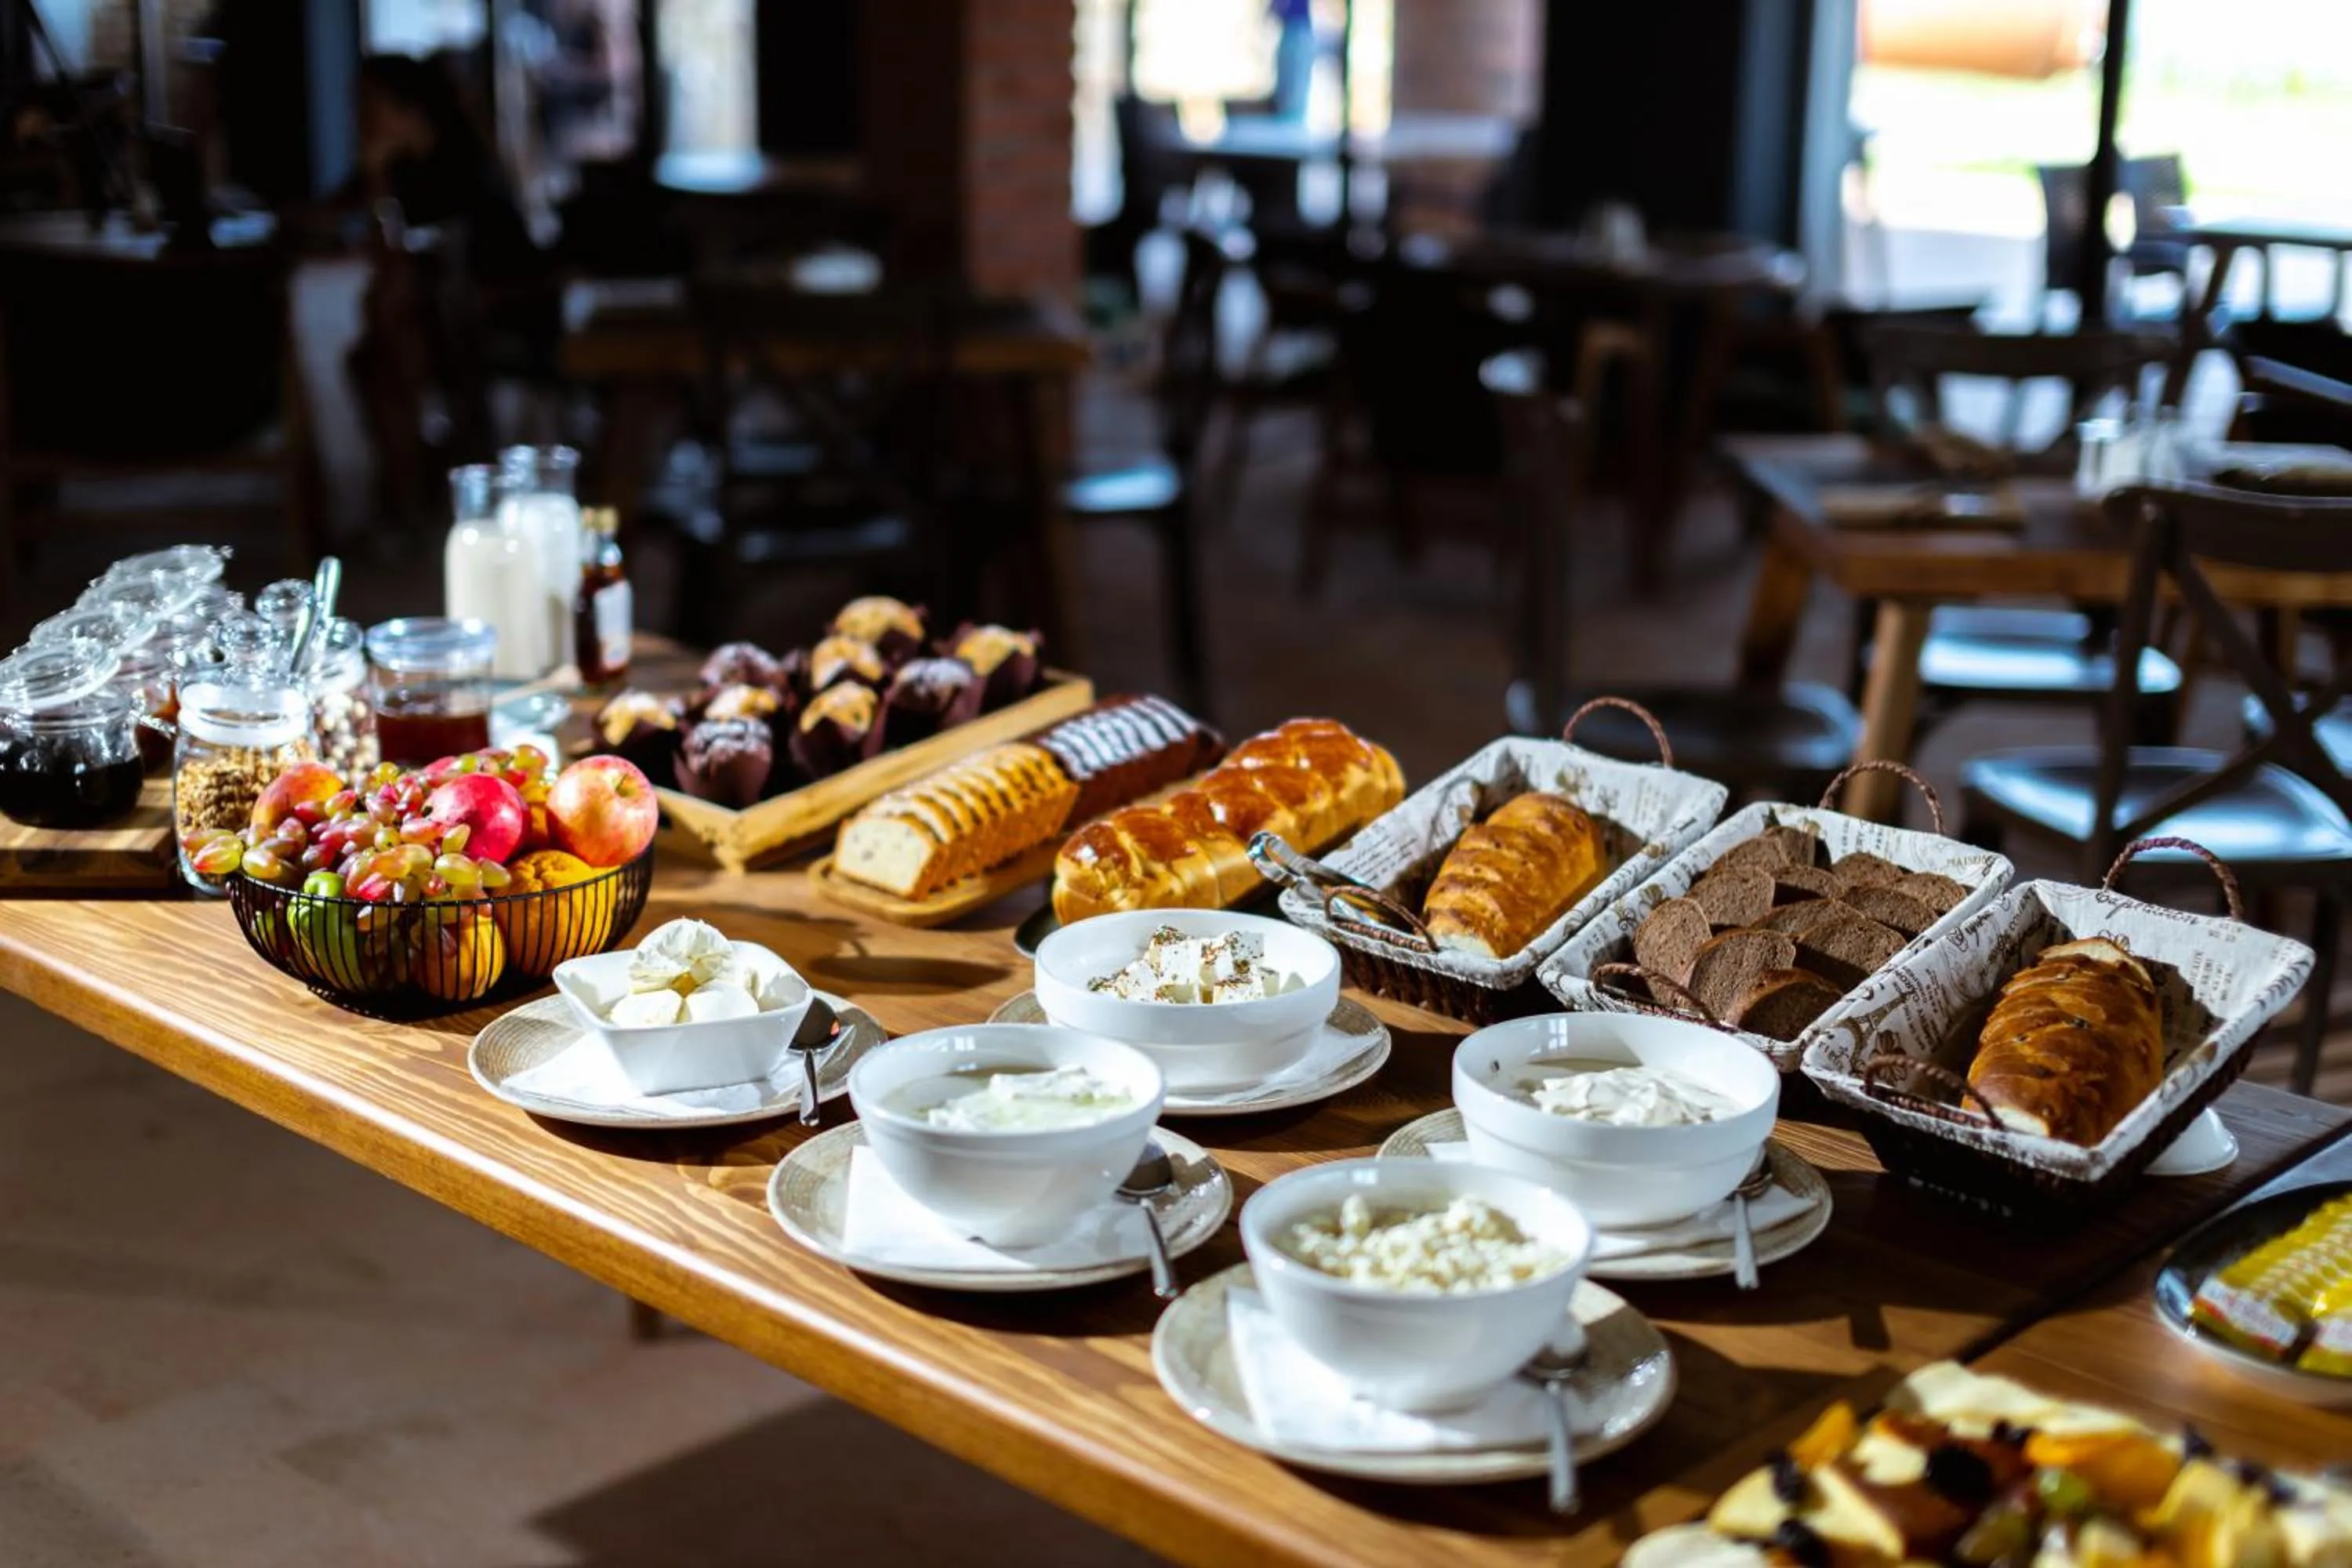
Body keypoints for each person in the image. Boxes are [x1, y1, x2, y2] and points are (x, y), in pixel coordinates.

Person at [344, 53, 557, 532]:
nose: (359, 118)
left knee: (395, 344)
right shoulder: (398, 164)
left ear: (405, 108)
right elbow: (354, 223)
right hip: (441, 314)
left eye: (368, 105)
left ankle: (412, 495)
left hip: (498, 308)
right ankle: (409, 489)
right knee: (378, 353)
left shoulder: (463, 162)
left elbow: (474, 259)